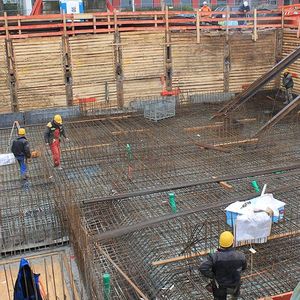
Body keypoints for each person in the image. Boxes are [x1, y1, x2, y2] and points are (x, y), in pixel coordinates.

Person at [200, 231, 247, 300]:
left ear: (220, 243)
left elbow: (203, 268)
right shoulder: (241, 256)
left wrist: (213, 275)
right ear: (232, 242)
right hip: (235, 284)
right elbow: (244, 267)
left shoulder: (214, 256)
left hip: (220, 286)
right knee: (235, 295)